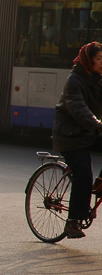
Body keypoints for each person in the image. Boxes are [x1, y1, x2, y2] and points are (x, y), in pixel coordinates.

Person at [52, 41, 102, 238]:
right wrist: (98, 125)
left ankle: (100, 182)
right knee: (83, 174)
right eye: (98, 59)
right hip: (70, 135)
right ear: (88, 61)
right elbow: (79, 109)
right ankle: (72, 222)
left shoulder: (97, 79)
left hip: (87, 133)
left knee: (89, 178)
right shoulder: (73, 81)